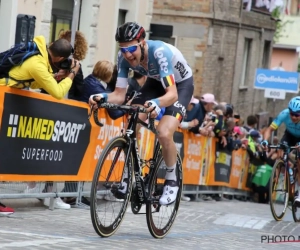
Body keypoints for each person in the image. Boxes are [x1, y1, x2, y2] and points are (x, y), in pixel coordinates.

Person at [89, 22, 194, 205]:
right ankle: (129, 176)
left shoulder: (159, 53)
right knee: (132, 122)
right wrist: (101, 97)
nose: (128, 54)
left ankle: (171, 180)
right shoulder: (123, 58)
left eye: (131, 48)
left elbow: (172, 94)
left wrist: (156, 103)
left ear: (142, 42)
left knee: (163, 132)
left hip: (179, 86)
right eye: (123, 49)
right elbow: (119, 96)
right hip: (154, 83)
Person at [0, 35, 81, 99]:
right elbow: (58, 93)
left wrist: (56, 76)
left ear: (52, 44)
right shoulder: (38, 65)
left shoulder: (39, 55)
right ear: (60, 58)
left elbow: (33, 84)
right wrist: (72, 74)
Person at [262, 96, 300, 203]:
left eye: (297, 115)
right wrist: (265, 141)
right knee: (281, 150)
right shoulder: (284, 114)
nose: (293, 117)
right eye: (292, 113)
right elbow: (270, 129)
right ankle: (285, 171)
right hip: (289, 135)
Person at [41, 30, 88, 100]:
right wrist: (72, 73)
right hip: (65, 102)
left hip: (45, 98)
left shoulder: (52, 60)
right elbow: (80, 91)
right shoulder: (75, 66)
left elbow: (42, 83)